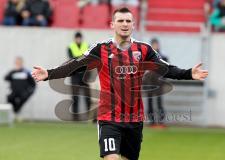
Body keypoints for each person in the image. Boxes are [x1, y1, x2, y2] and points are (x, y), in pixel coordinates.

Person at [32, 7, 208, 160]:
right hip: (109, 118)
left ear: (133, 25)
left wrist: (188, 73)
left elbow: (165, 68)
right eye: (120, 20)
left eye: (128, 21)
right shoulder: (100, 48)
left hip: (135, 119)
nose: (124, 24)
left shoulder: (144, 49)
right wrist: (49, 73)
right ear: (112, 24)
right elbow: (76, 65)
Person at [67, 31, 92, 121]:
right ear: (75, 39)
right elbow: (72, 59)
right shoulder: (70, 47)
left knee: (87, 97)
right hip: (75, 74)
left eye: (79, 38)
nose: (78, 40)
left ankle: (89, 117)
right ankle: (75, 119)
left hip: (85, 74)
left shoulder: (87, 45)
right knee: (75, 97)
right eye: (77, 38)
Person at [145, 38, 168, 128]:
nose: (155, 46)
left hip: (159, 83)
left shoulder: (163, 57)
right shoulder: (147, 57)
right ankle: (152, 122)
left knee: (159, 102)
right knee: (150, 102)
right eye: (154, 45)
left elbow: (167, 69)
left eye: (156, 44)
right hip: (149, 83)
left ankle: (161, 121)